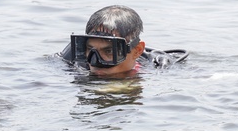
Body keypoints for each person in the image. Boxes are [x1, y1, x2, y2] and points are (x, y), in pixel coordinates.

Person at [58, 5, 188, 77]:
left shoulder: (156, 67)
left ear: (137, 51)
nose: (95, 62)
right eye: (89, 49)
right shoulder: (71, 64)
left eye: (109, 51)